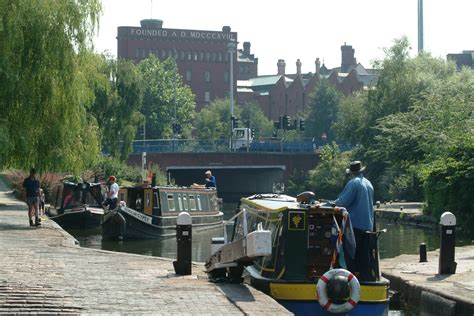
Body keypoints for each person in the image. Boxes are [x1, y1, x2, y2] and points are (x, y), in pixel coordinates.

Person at [334, 161, 374, 281]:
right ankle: (366, 279)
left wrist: (331, 203)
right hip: (367, 225)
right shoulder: (369, 183)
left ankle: (349, 280)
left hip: (354, 226)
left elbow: (342, 202)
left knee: (350, 254)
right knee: (364, 255)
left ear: (352, 173)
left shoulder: (353, 184)